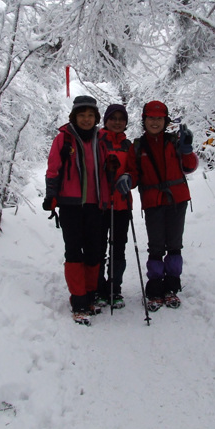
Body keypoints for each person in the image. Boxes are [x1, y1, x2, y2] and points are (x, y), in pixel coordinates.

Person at [116, 100, 198, 311]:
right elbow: (134, 174)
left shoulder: (174, 142)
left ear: (165, 120)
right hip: (153, 202)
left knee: (174, 245)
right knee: (156, 246)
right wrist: (127, 178)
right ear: (144, 120)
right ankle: (154, 288)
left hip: (177, 200)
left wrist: (187, 150)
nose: (155, 122)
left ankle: (171, 286)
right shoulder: (138, 146)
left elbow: (189, 167)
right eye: (151, 118)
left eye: (159, 118)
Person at [43, 95, 113, 325]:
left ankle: (90, 295)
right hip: (70, 205)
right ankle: (79, 301)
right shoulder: (63, 139)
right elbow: (53, 169)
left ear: (96, 118)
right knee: (74, 252)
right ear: (74, 117)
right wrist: (51, 196)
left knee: (94, 253)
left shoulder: (101, 139)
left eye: (90, 115)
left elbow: (111, 164)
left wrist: (113, 168)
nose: (86, 119)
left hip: (97, 205)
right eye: (82, 115)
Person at [97, 103, 132, 310]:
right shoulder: (97, 141)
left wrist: (129, 178)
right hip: (100, 204)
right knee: (99, 249)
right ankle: (99, 288)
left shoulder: (129, 146)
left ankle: (115, 288)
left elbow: (136, 171)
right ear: (106, 120)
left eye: (121, 119)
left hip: (122, 204)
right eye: (113, 118)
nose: (117, 122)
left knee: (118, 248)